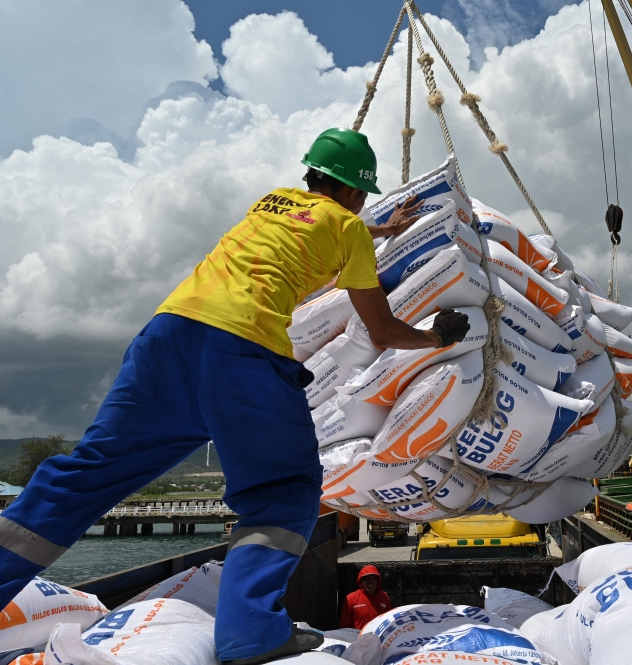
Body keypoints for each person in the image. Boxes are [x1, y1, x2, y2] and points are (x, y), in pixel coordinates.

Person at [0, 128, 471, 665]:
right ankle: (249, 631)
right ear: (355, 192)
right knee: (282, 488)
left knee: (89, 473)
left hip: (165, 339)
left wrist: (378, 227)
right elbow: (383, 332)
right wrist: (439, 336)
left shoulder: (269, 203)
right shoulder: (348, 228)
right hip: (243, 353)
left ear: (311, 175)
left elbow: (313, 227)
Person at [340, 565, 392, 630]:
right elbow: (344, 626)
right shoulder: (351, 598)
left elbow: (390, 621)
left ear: (377, 581)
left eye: (372, 578)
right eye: (366, 578)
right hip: (359, 638)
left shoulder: (384, 597)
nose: (369, 581)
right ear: (361, 581)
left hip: (379, 639)